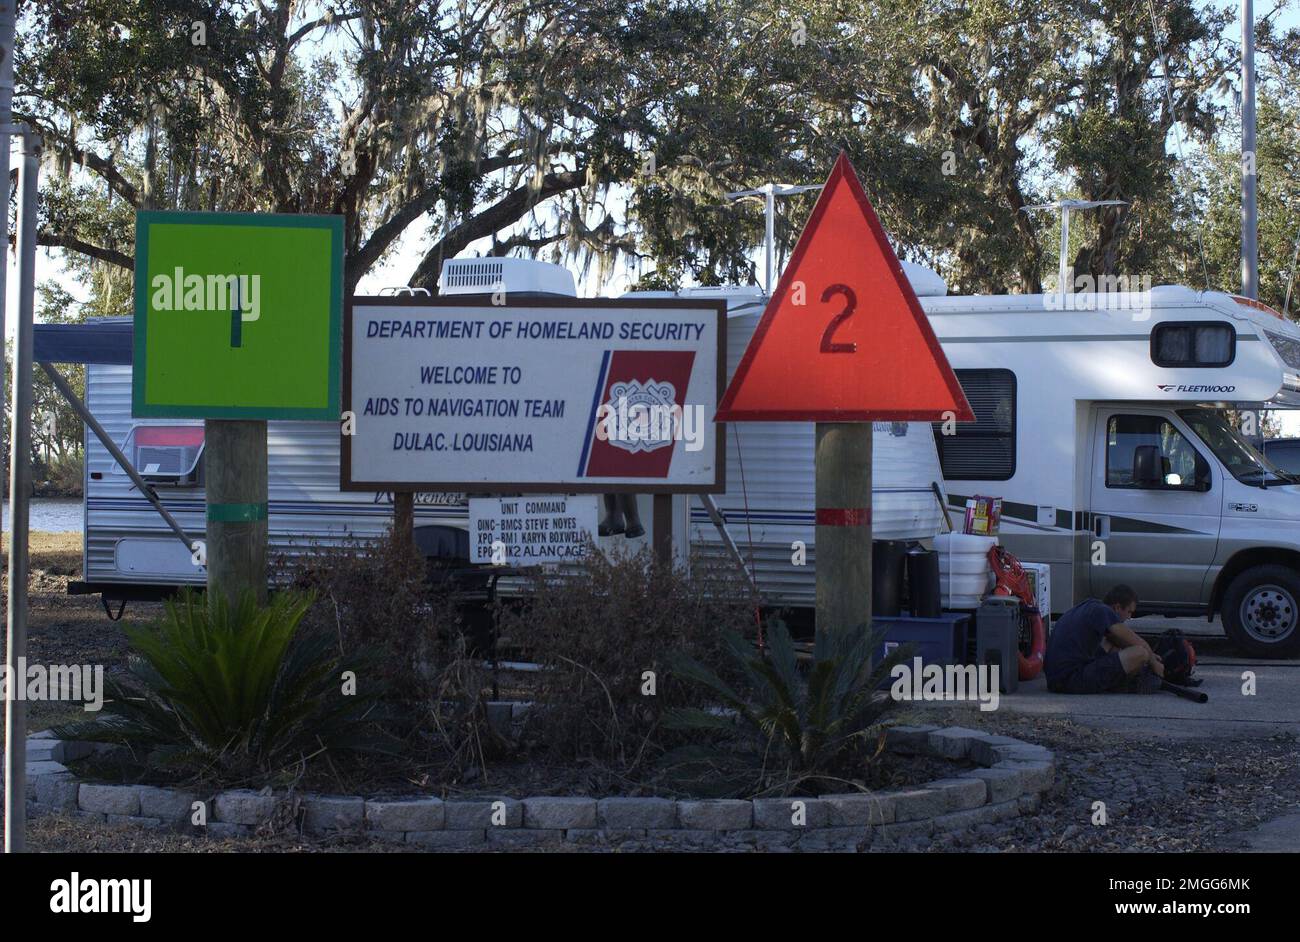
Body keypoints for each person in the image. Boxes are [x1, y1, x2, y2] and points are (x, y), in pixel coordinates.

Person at [1043, 585, 1164, 694]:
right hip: (1071, 680)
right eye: (1129, 612)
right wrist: (1153, 663)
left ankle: (1122, 679)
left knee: (1111, 642)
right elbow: (1139, 644)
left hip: (1056, 679)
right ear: (1117, 607)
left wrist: (1151, 655)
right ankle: (1126, 685)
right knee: (1140, 653)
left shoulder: (1090, 607)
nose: (1129, 617)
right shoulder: (1103, 612)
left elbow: (1117, 641)